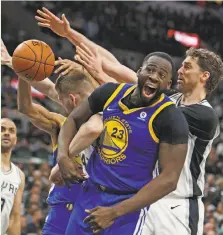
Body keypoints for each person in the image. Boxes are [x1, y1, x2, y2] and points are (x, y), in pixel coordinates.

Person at [76, 43, 223, 235]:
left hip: (177, 205)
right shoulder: (172, 98)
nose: (179, 70)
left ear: (205, 76)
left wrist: (103, 77)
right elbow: (125, 71)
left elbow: (140, 98)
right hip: (146, 197)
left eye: (187, 66)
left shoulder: (205, 115)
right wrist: (71, 35)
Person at [57, 52, 189, 234]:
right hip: (90, 193)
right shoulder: (110, 93)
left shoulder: (171, 118)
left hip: (127, 207)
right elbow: (72, 119)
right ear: (139, 71)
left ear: (167, 85)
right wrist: (62, 156)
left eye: (161, 75)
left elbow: (169, 179)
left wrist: (114, 212)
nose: (153, 76)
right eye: (150, 70)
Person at [2, 44, 103, 235]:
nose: (58, 102)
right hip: (65, 209)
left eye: (61, 99)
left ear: (72, 99)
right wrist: (23, 72)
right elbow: (26, 107)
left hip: (92, 211)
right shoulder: (61, 123)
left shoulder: (105, 120)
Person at [1, 118, 25, 235]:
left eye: (11, 131)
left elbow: (14, 218)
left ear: (15, 140)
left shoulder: (19, 175)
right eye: (2, 129)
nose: (6, 133)